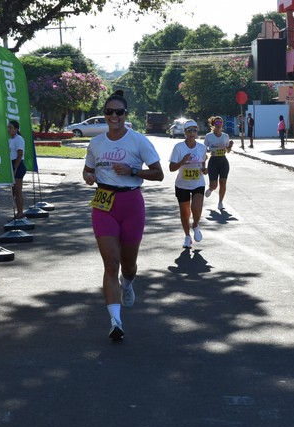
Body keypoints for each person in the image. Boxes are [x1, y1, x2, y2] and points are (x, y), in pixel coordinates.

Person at [82, 90, 164, 341]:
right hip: (104, 202)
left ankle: (127, 285)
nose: (113, 116)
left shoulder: (138, 141)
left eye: (118, 112)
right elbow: (87, 170)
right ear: (104, 115)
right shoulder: (96, 143)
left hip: (131, 202)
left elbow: (159, 174)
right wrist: (89, 177)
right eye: (109, 112)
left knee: (128, 266)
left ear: (126, 115)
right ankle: (115, 321)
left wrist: (133, 170)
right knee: (111, 263)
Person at [169, 120, 207, 249]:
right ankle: (187, 237)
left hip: (198, 182)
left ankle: (195, 224)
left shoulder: (201, 148)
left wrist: (204, 169)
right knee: (185, 213)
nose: (192, 133)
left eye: (194, 130)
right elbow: (171, 168)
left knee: (196, 208)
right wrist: (182, 161)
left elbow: (202, 163)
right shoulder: (178, 147)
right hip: (182, 184)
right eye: (189, 130)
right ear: (184, 132)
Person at [203, 116, 233, 211]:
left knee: (223, 183)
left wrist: (230, 146)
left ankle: (220, 202)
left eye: (220, 123)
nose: (219, 124)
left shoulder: (225, 136)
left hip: (223, 161)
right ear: (213, 124)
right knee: (214, 185)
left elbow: (228, 151)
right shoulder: (209, 136)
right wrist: (210, 151)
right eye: (217, 123)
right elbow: (204, 149)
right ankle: (211, 189)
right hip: (213, 161)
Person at [7, 120, 26, 219]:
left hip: (18, 166)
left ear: (16, 129)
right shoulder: (10, 140)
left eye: (10, 127)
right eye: (8, 127)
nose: (8, 130)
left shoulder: (19, 139)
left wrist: (15, 168)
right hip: (11, 165)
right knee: (13, 191)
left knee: (18, 191)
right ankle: (18, 212)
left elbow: (20, 154)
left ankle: (20, 213)